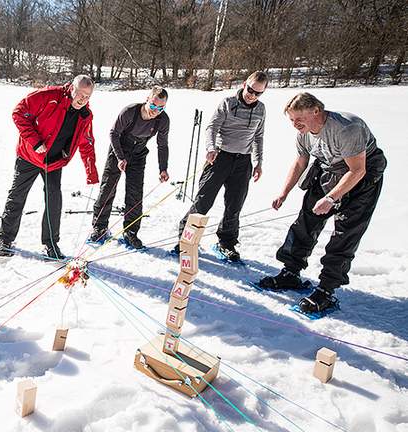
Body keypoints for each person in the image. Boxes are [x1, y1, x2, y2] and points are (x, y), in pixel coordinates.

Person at [258, 92, 387, 313]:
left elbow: (358, 170)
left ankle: (327, 290)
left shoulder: (347, 128)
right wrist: (284, 193)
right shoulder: (304, 133)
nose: (295, 124)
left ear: (316, 111)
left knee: (345, 233)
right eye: (291, 120)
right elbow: (300, 163)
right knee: (305, 222)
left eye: (299, 118)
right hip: (329, 170)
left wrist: (331, 198)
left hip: (362, 176)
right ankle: (291, 272)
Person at [0, 74, 99, 259]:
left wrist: (91, 171)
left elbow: (86, 143)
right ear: (71, 88)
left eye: (87, 96)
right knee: (17, 196)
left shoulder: (85, 115)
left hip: (54, 161)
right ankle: (5, 240)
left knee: (54, 200)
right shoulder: (50, 96)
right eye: (80, 94)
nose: (82, 99)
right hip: (29, 155)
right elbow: (18, 112)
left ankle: (50, 243)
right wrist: (35, 142)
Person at [176, 71, 268, 262]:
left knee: (234, 205)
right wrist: (211, 148)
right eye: (250, 90)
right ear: (244, 85)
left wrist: (258, 162)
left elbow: (258, 136)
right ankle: (185, 240)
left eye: (258, 93)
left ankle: (226, 242)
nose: (252, 95)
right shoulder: (227, 102)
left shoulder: (261, 109)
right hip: (220, 157)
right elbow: (212, 127)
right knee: (204, 201)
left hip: (243, 160)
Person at [89, 86, 170, 249]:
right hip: (119, 148)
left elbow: (162, 145)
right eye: (153, 105)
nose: (156, 110)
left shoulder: (163, 120)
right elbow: (113, 133)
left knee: (135, 193)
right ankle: (100, 227)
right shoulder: (130, 112)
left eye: (161, 108)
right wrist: (120, 157)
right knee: (108, 188)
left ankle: (131, 232)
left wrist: (163, 168)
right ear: (147, 99)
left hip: (138, 153)